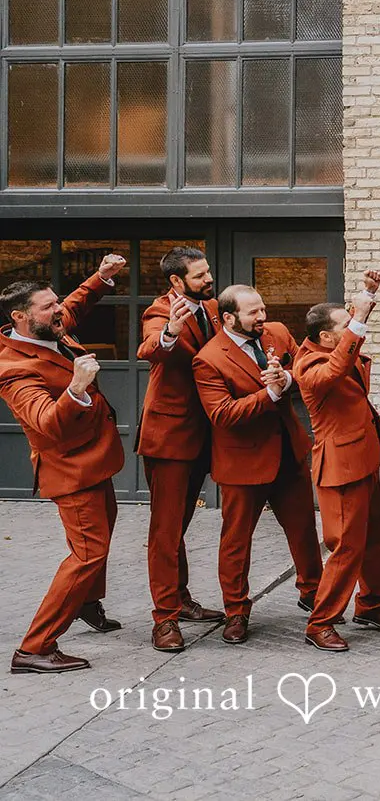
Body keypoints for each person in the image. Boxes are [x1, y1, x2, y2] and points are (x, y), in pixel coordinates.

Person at [2, 255, 127, 673]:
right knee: (87, 554)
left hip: (96, 457)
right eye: (47, 306)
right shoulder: (14, 369)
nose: (58, 311)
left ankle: (87, 602)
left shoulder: (49, 328)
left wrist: (101, 277)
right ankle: (34, 649)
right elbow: (45, 425)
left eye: (56, 303)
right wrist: (76, 386)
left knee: (102, 536)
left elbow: (73, 304)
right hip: (71, 470)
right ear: (21, 318)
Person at [192, 285, 324, 646]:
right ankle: (236, 610)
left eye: (263, 309)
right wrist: (270, 394)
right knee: (236, 541)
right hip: (243, 462)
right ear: (229, 318)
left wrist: (289, 379)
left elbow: (303, 363)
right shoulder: (209, 359)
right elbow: (222, 414)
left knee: (304, 530)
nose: (262, 317)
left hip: (288, 453)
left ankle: (314, 593)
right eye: (254, 313)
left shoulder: (278, 333)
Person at [296, 273, 380, 651]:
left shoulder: (331, 348)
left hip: (364, 457)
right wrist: (359, 315)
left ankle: (372, 605)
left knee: (373, 538)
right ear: (327, 337)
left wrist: (368, 294)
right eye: (345, 327)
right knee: (345, 546)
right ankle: (321, 622)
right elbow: (336, 371)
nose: (353, 331)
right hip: (340, 466)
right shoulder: (311, 367)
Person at [136, 246, 225, 652]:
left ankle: (182, 599)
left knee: (180, 527)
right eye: (199, 276)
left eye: (208, 272)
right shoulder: (160, 311)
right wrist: (170, 331)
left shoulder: (211, 308)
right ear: (175, 281)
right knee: (165, 531)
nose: (208, 280)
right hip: (170, 438)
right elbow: (151, 347)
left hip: (205, 436)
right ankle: (164, 619)